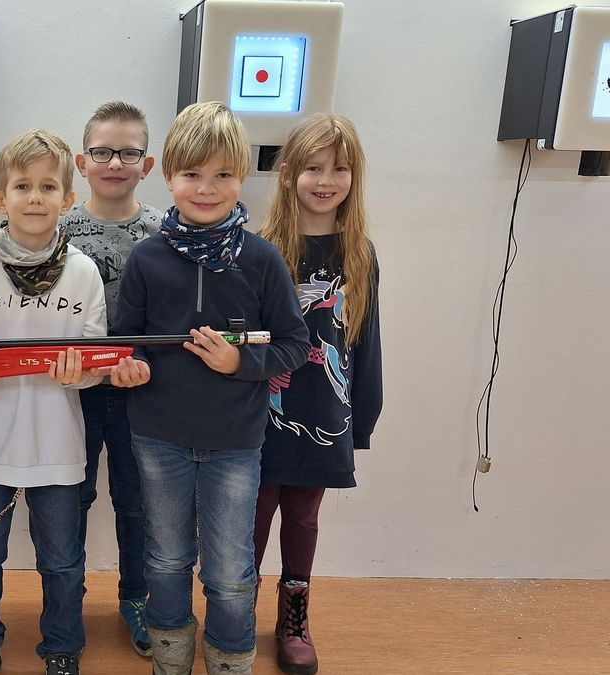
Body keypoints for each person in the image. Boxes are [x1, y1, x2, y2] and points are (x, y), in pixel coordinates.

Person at [105, 101, 311, 675]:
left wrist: (239, 363)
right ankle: (170, 658)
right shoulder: (147, 258)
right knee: (166, 559)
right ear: (167, 176)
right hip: (157, 438)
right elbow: (126, 342)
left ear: (242, 178)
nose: (206, 188)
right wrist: (126, 370)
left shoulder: (263, 259)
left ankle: (229, 660)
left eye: (222, 174)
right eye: (192, 174)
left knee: (228, 568)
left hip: (235, 443)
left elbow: (295, 345)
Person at [0, 129, 104, 675]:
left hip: (59, 446)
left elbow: (93, 365)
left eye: (47, 186)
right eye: (21, 185)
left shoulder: (85, 273)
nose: (34, 197)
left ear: (68, 198)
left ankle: (61, 647)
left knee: (62, 561)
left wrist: (77, 374)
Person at [255, 113, 382, 675]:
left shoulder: (361, 255)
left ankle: (294, 614)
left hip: (325, 410)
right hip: (261, 416)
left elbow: (365, 341)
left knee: (303, 516)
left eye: (339, 168)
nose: (325, 179)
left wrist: (364, 417)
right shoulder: (262, 250)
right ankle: (234, 608)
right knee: (252, 518)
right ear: (287, 175)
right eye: (313, 167)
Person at [60, 100, 163, 658]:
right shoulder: (57, 230)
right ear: (82, 161)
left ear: (146, 165)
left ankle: (136, 597)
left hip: (139, 393)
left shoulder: (164, 232)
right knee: (71, 499)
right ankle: (65, 599)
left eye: (128, 152)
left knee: (138, 502)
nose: (114, 162)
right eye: (102, 151)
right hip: (71, 393)